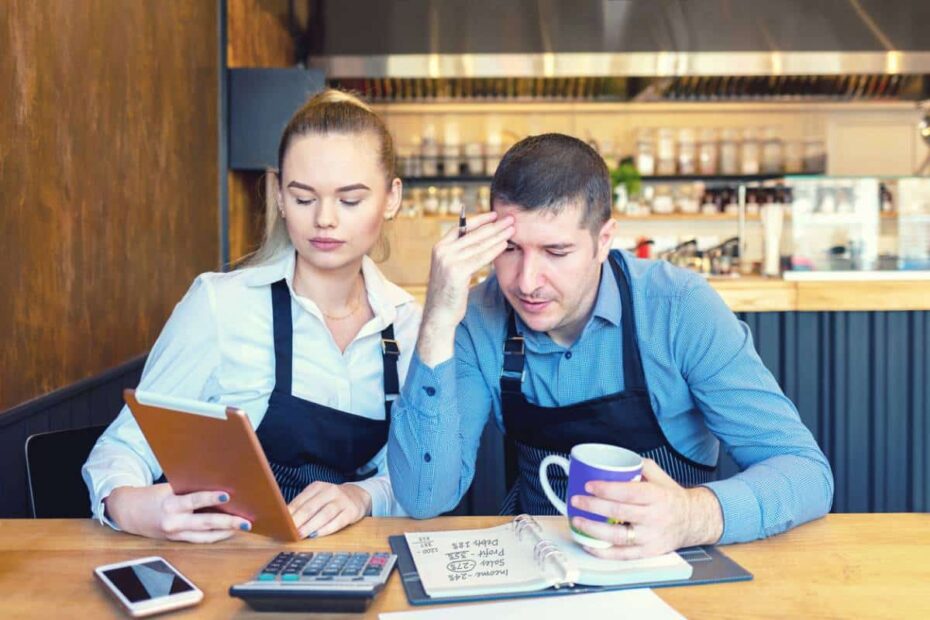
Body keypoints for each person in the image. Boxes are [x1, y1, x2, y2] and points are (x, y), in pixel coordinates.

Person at [388, 133, 834, 559]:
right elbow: (426, 497)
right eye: (509, 249)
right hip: (537, 571)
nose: (526, 282)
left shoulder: (677, 307)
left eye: (556, 252)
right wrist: (437, 322)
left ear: (604, 240)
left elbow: (804, 470)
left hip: (668, 567)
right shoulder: (477, 316)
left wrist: (693, 516)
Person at [83, 89, 419, 543]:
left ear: (392, 197)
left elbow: (418, 483)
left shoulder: (408, 324)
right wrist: (132, 505)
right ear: (279, 194)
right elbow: (121, 450)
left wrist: (363, 496)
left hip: (353, 566)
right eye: (303, 198)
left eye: (350, 200)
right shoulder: (221, 306)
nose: (324, 219)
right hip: (226, 567)